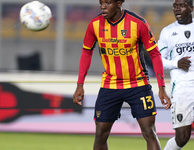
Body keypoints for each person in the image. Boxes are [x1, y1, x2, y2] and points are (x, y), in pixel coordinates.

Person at [73, 0, 171, 150]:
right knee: (100, 134)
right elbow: (87, 51)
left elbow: (155, 54)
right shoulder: (94, 24)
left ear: (119, 3)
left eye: (108, 3)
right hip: (110, 85)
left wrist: (162, 87)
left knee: (149, 132)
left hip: (138, 84)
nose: (103, 6)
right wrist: (80, 84)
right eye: (101, 3)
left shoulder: (138, 23)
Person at [158, 0, 194, 149]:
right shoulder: (167, 32)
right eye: (175, 6)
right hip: (182, 89)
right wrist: (176, 63)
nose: (177, 9)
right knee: (182, 137)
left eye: (181, 6)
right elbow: (158, 60)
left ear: (191, 8)